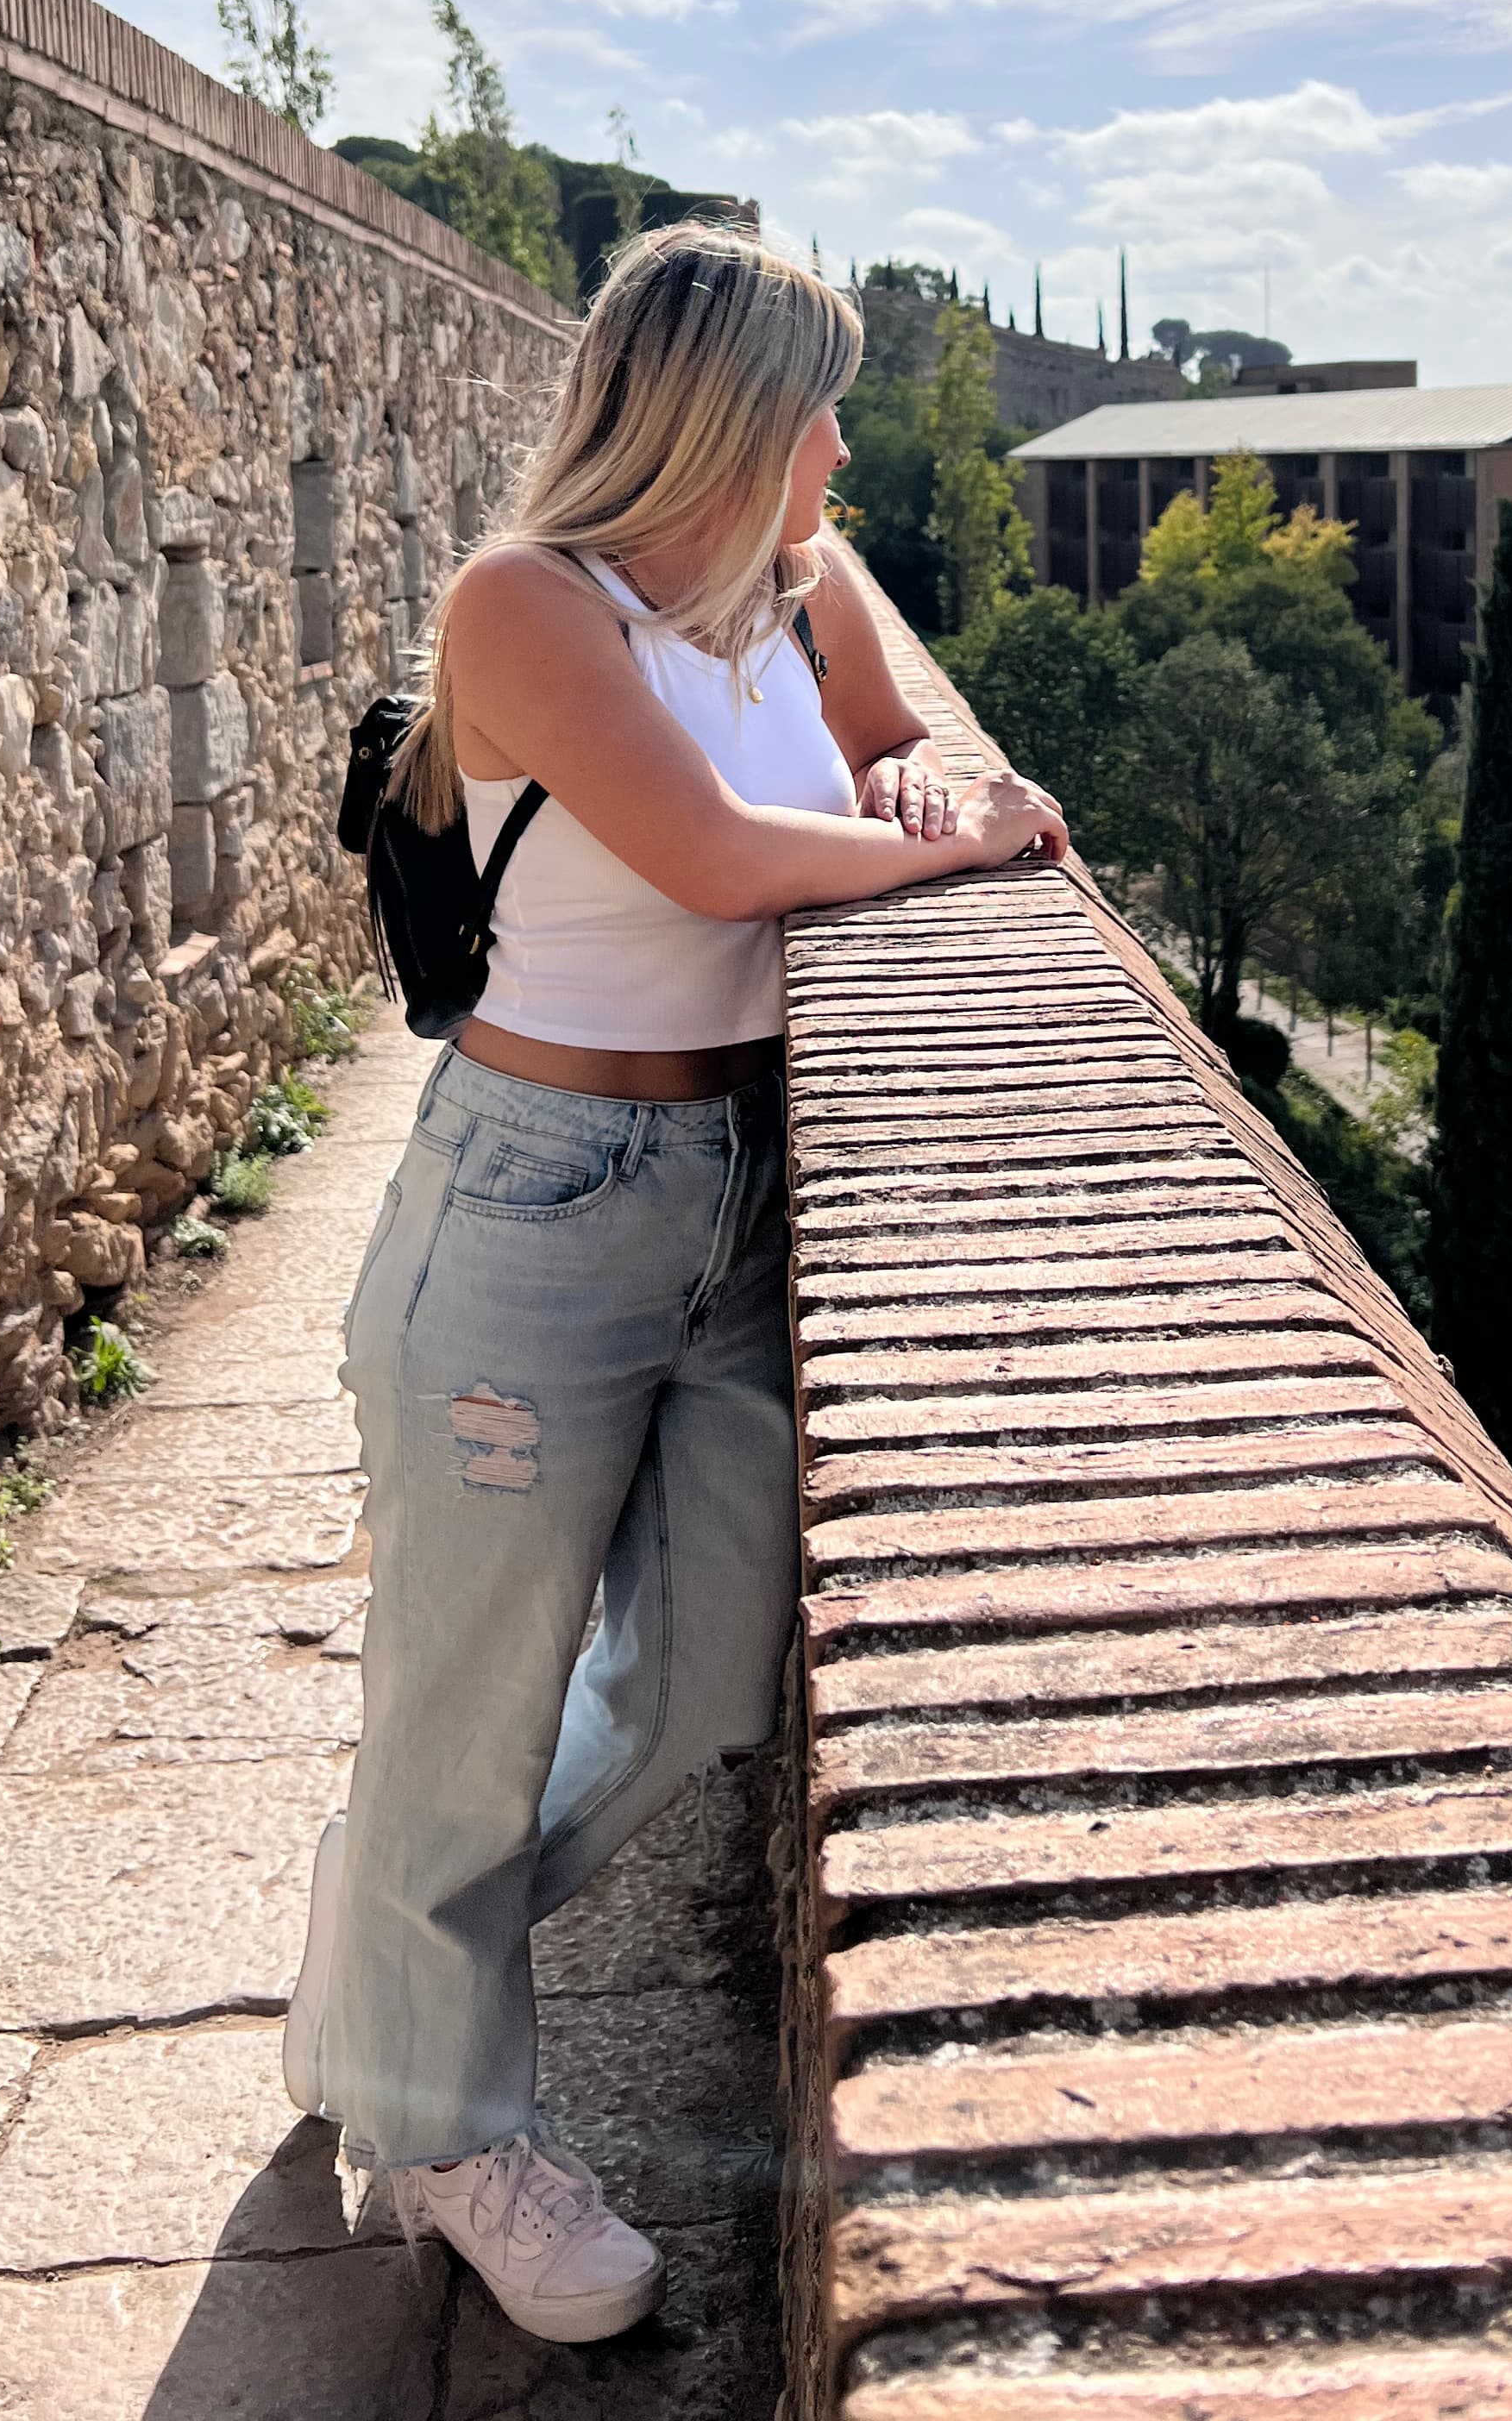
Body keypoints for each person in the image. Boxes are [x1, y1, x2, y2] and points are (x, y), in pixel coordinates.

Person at [281, 224, 1066, 2343]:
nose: (841, 440)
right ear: (722, 413)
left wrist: (940, 787)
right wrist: (951, 842)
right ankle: (448, 2131)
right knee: (478, 1699)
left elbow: (939, 754)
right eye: (817, 400)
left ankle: (386, 1943)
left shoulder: (809, 582)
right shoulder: (524, 605)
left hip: (732, 1189)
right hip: (535, 1206)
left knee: (715, 1677)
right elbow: (725, 857)